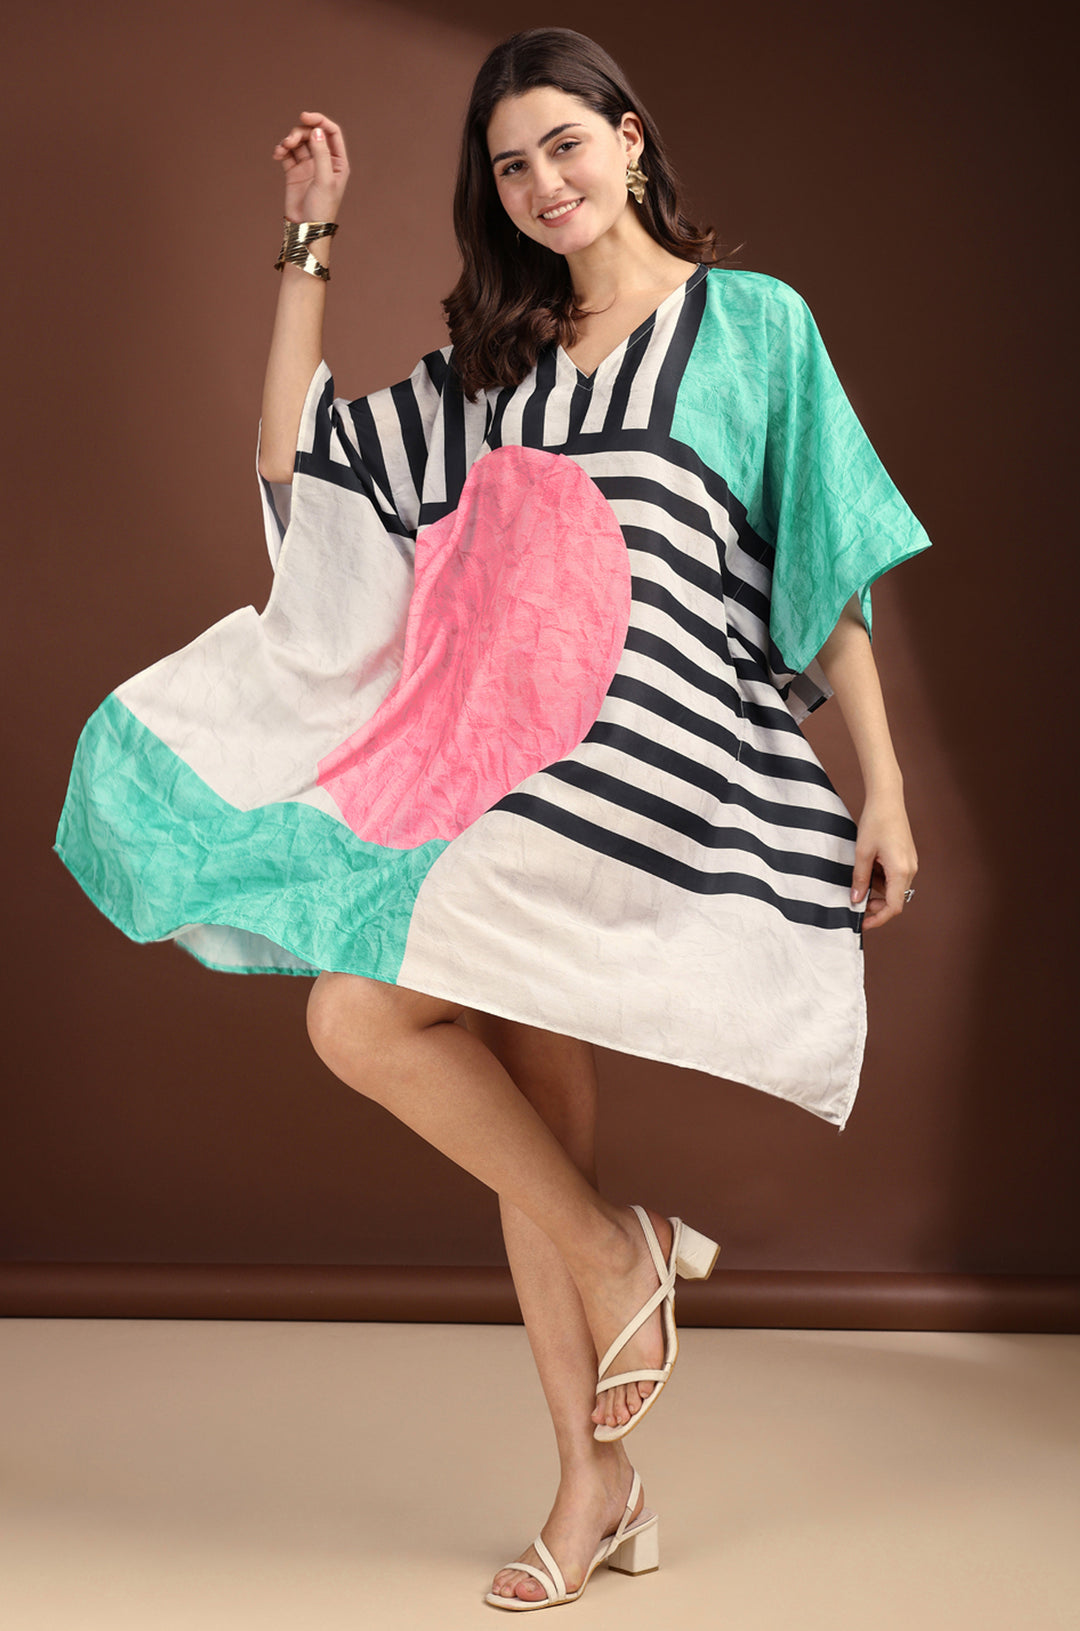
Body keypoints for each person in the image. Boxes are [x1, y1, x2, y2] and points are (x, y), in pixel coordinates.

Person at [55, 26, 928, 1611]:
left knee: (373, 1023)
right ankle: (602, 1444)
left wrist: (884, 785)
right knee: (498, 1108)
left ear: (631, 138)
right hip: (503, 775)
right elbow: (300, 464)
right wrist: (312, 240)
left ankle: (613, 1277)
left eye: (564, 146)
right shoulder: (501, 374)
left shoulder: (755, 328)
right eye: (511, 167)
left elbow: (832, 563)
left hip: (645, 780)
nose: (542, 185)